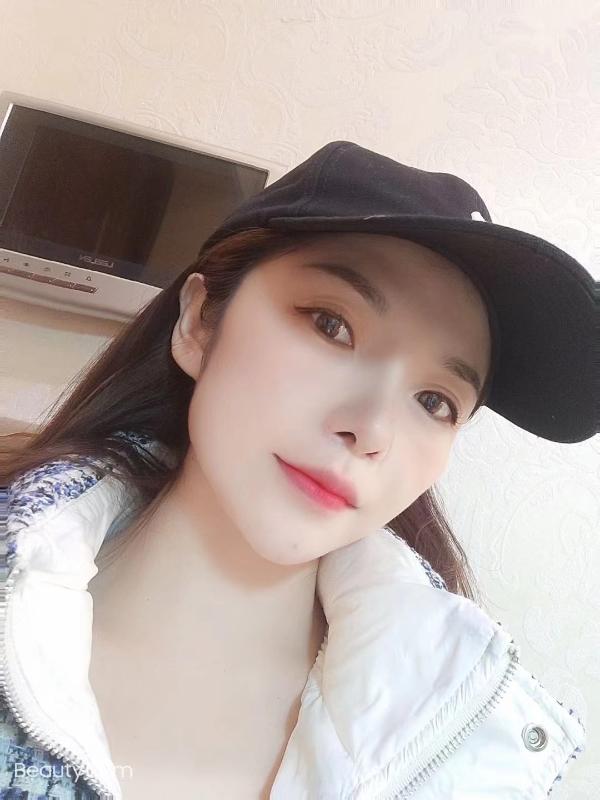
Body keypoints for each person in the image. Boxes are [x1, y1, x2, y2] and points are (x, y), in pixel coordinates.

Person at [1, 140, 596, 799]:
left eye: (435, 402)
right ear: (199, 321)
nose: (371, 429)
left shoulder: (473, 751)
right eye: (331, 325)